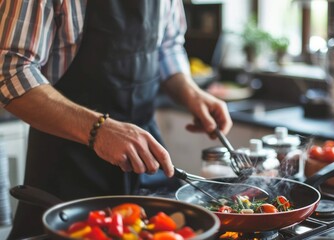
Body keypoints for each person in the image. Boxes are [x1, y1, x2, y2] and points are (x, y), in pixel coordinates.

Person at [0, 0, 232, 238]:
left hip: (145, 160)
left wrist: (191, 93)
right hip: (66, 169)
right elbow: (10, 71)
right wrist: (97, 129)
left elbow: (167, 47)